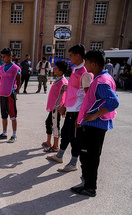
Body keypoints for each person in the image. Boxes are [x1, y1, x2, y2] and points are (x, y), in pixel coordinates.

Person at [71, 49, 119, 197]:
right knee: (88, 156)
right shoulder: (103, 77)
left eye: (87, 62)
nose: (85, 65)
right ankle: (86, 183)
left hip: (95, 126)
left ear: (94, 63)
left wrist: (94, 116)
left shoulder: (101, 81)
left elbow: (113, 101)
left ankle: (90, 187)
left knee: (90, 157)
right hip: (94, 125)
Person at [47, 44, 93, 172]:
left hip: (77, 111)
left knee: (75, 139)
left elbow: (87, 96)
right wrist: (64, 105)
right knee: (66, 134)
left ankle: (73, 163)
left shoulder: (85, 73)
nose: (70, 58)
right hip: (71, 109)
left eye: (71, 55)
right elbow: (71, 91)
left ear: (78, 56)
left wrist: (81, 114)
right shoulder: (75, 70)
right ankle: (59, 155)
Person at [0, 48, 21, 143]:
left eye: (4, 57)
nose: (2, 59)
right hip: (2, 93)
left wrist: (16, 93)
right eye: (2, 57)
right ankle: (4, 133)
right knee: (3, 114)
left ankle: (14, 134)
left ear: (10, 57)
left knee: (13, 115)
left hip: (10, 93)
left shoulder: (16, 68)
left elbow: (19, 81)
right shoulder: (1, 67)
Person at [42, 60, 69, 152]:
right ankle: (49, 142)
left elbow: (68, 94)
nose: (54, 69)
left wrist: (63, 106)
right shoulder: (58, 79)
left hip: (57, 108)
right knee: (48, 122)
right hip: (53, 107)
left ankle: (55, 146)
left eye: (56, 68)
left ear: (60, 72)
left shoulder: (64, 82)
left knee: (55, 125)